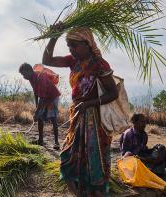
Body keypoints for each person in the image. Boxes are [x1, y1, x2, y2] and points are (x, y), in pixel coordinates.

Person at [42, 24, 118, 197]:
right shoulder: (72, 61)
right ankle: (79, 192)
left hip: (95, 119)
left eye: (74, 46)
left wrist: (90, 103)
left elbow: (113, 93)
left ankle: (95, 192)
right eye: (69, 46)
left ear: (87, 43)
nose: (72, 50)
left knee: (93, 159)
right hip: (77, 114)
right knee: (68, 157)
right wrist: (55, 35)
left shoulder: (100, 64)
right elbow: (47, 60)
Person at [19, 63, 61, 150]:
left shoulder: (40, 77)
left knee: (53, 118)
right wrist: (37, 106)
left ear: (29, 71)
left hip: (52, 97)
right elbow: (35, 92)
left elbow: (42, 97)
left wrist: (36, 113)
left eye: (23, 74)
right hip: (44, 97)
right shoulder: (31, 78)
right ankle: (40, 140)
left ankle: (56, 142)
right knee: (40, 118)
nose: (23, 77)